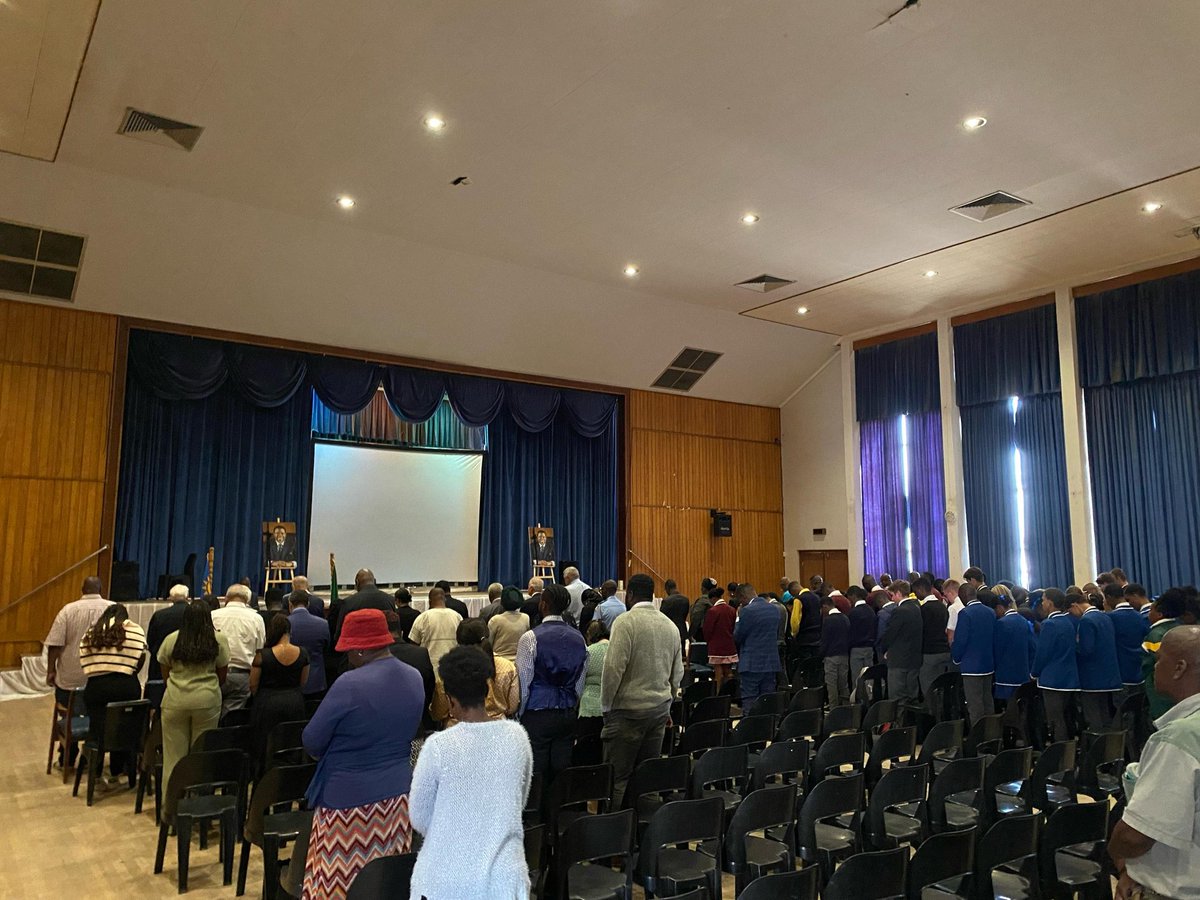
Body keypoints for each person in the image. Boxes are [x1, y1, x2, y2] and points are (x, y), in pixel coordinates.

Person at [302, 609, 424, 899]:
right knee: (386, 882)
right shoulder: (414, 677)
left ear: (359, 649)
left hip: (347, 800)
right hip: (398, 796)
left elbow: (312, 740)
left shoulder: (349, 684)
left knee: (338, 884)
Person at [410, 646, 533, 900]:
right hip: (504, 878)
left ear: (450, 700)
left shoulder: (437, 747)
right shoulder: (517, 738)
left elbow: (420, 817)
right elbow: (518, 801)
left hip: (447, 877)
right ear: (487, 690)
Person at [1110, 625, 1200, 900]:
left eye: (1159, 660)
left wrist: (1117, 855)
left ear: (1179, 668)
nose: (1153, 667)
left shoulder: (1179, 738)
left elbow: (1136, 836)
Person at [601, 573, 683, 808]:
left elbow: (613, 669)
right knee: (648, 776)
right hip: (658, 711)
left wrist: (606, 707)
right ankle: (645, 824)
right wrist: (668, 704)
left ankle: (615, 825)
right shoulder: (670, 626)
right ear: (653, 595)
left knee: (617, 779)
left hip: (627, 712)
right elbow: (677, 673)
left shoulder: (625, 622)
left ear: (630, 595)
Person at [517, 583, 587, 782]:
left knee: (537, 771)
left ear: (543, 605)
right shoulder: (579, 638)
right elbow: (580, 682)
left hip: (537, 713)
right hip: (566, 712)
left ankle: (539, 803)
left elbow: (524, 683)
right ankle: (559, 802)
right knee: (561, 770)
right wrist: (572, 706)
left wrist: (520, 714)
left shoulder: (530, 638)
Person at [158, 599, 230, 789]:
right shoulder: (218, 639)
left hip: (175, 700)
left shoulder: (172, 639)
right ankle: (199, 802)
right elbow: (222, 674)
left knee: (173, 758)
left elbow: (165, 670)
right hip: (207, 700)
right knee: (201, 757)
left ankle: (171, 802)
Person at [78, 603, 147, 779]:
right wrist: (129, 669)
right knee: (123, 727)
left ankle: (95, 768)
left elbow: (83, 659)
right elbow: (141, 657)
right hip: (126, 686)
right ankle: (119, 768)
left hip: (97, 687)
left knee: (96, 728)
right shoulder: (135, 631)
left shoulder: (92, 633)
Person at [249, 613, 310, 774]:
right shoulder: (303, 653)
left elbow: (253, 684)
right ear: (289, 631)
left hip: (267, 703)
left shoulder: (263, 655)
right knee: (291, 743)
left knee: (265, 746)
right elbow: (303, 682)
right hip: (294, 702)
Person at [432, 619, 518, 725]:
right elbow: (513, 706)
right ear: (487, 636)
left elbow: (438, 712)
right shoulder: (507, 667)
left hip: (457, 727)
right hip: (499, 726)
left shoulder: (450, 670)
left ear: (459, 641)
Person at [44, 576, 114, 701]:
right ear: (101, 589)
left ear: (82, 590)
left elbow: (55, 644)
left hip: (71, 679)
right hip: (104, 677)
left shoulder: (68, 610)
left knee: (68, 709)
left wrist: (51, 671)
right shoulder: (114, 609)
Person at [1033, 589, 1080, 742]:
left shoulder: (1049, 624)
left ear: (1050, 603)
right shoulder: (1068, 621)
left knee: (1055, 720)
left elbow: (1043, 652)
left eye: (1044, 600)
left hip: (1053, 679)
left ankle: (1060, 752)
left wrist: (1034, 672)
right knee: (1065, 717)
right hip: (1069, 677)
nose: (1042, 603)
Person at [211, 583, 266, 714]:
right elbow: (260, 650)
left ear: (226, 598)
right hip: (241, 677)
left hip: (213, 674)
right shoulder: (256, 619)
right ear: (247, 600)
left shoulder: (212, 615)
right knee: (231, 719)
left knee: (210, 718)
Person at [1072, 591, 1121, 730]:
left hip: (1092, 675)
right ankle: (1109, 742)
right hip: (1108, 673)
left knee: (1093, 716)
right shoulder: (1105, 616)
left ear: (1075, 605)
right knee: (1105, 714)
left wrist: (1074, 645)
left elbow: (1086, 649)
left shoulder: (1086, 620)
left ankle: (1097, 743)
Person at [385, 611, 436, 736]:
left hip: (384, 726)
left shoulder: (371, 658)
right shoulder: (421, 653)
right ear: (402, 632)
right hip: (419, 722)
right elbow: (430, 688)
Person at [953, 583, 997, 725]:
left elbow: (960, 640)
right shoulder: (990, 612)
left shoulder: (965, 614)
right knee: (988, 702)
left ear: (963, 596)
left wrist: (956, 658)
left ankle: (978, 736)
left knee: (975, 706)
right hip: (988, 663)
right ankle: (992, 733)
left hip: (971, 666)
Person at [1143, 587, 1190, 720]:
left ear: (1159, 614)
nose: (1148, 614)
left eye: (1151, 610)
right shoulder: (1180, 628)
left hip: (1161, 694)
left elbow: (1149, 666)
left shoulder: (1155, 636)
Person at [734, 584, 782, 710]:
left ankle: (750, 723)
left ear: (743, 597)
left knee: (750, 699)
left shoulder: (746, 611)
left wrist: (738, 618)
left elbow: (738, 636)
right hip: (771, 663)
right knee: (767, 700)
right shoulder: (774, 609)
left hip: (751, 664)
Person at [1107, 583, 1150, 704]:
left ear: (1108, 597)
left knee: (1122, 709)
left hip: (1121, 673)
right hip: (1140, 672)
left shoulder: (1110, 618)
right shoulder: (1141, 616)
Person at [881, 580, 923, 706]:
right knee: (912, 697)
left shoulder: (899, 611)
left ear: (898, 593)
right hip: (914, 659)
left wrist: (884, 649)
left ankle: (899, 719)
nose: (892, 599)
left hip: (898, 660)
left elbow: (890, 634)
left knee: (897, 698)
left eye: (892, 595)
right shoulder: (917, 608)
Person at [991, 592, 1035, 703]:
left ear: (999, 607)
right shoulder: (1024, 621)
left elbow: (997, 650)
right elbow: (1032, 647)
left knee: (1009, 707)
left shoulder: (1001, 624)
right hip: (1023, 673)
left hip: (1006, 674)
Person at [332, 569, 396, 643]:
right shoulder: (390, 600)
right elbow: (395, 630)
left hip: (358, 647)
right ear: (375, 581)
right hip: (385, 646)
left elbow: (340, 635)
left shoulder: (348, 603)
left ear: (357, 582)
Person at [410, 586, 463, 672]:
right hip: (453, 666)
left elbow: (413, 645)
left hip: (430, 666)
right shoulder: (457, 616)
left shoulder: (422, 617)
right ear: (444, 599)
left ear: (429, 601)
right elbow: (463, 642)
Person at [919, 577, 954, 707]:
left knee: (928, 685)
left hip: (930, 652)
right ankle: (943, 709)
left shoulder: (924, 609)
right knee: (941, 685)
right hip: (944, 650)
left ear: (921, 590)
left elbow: (922, 631)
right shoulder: (943, 606)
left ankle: (932, 711)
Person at [288, 590, 329, 696]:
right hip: (316, 681)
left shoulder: (285, 623)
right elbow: (327, 648)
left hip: (291, 682)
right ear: (308, 604)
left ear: (290, 604)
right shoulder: (323, 624)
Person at [145, 583, 189, 681]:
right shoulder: (195, 614)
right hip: (188, 667)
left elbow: (150, 642)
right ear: (187, 597)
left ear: (171, 598)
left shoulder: (159, 615)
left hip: (159, 668)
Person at [702, 586, 738, 692]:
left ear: (713, 598)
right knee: (728, 672)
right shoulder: (732, 610)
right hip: (729, 646)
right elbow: (733, 627)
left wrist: (708, 641)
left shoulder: (712, 611)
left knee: (718, 674)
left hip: (716, 647)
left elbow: (707, 630)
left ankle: (718, 694)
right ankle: (731, 693)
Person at [578, 620, 609, 733]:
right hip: (611, 709)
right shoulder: (616, 650)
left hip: (588, 708)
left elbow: (579, 682)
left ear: (589, 634)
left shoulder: (588, 652)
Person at [819, 595, 850, 706]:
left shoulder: (828, 620)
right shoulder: (845, 618)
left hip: (831, 657)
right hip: (844, 655)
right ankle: (846, 707)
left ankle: (834, 708)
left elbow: (825, 641)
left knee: (831, 685)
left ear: (825, 606)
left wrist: (821, 655)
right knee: (843, 684)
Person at [489, 586, 531, 663]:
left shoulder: (495, 620)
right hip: (520, 661)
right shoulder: (526, 618)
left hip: (499, 662)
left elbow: (488, 644)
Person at [848, 586, 878, 682]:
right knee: (869, 678)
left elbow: (850, 631)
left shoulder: (853, 612)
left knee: (857, 679)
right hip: (869, 648)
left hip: (856, 649)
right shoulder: (871, 611)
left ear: (853, 596)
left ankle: (858, 692)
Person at [660, 578, 690, 654]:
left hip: (670, 633)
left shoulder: (666, 601)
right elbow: (685, 615)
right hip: (682, 631)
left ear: (667, 588)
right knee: (682, 656)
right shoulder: (686, 600)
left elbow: (662, 618)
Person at [942, 579, 963, 645]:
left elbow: (951, 632)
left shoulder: (952, 608)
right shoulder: (964, 603)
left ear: (950, 593)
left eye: (946, 595)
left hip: (956, 642)